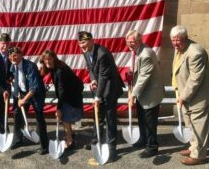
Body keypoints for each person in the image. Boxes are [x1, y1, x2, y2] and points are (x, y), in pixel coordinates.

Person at [77, 31, 124, 162]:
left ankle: (112, 148)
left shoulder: (102, 54)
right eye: (80, 43)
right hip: (99, 85)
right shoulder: (85, 51)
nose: (82, 45)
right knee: (98, 115)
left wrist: (97, 97)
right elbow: (90, 67)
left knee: (110, 118)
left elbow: (104, 77)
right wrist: (92, 80)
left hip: (110, 87)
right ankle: (96, 141)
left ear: (92, 41)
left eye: (85, 42)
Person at [170, 25, 209, 165]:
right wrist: (177, 88)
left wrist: (183, 96)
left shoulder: (196, 52)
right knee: (190, 125)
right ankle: (194, 147)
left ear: (186, 38)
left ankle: (199, 156)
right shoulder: (179, 49)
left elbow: (195, 79)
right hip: (185, 94)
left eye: (178, 40)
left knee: (198, 127)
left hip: (198, 97)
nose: (175, 43)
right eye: (173, 40)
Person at [125, 30, 164, 158]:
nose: (130, 44)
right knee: (141, 119)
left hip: (150, 93)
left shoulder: (146, 54)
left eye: (132, 42)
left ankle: (152, 147)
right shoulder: (137, 51)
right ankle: (143, 139)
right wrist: (131, 73)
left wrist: (133, 95)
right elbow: (138, 71)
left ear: (139, 40)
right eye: (128, 41)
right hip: (143, 92)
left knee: (150, 122)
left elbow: (143, 77)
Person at [39, 49, 84, 149]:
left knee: (65, 119)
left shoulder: (60, 71)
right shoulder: (54, 67)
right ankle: (70, 135)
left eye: (49, 59)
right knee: (64, 117)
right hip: (67, 95)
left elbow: (62, 90)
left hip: (71, 95)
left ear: (54, 58)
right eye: (45, 60)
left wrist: (58, 108)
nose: (47, 62)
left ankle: (70, 141)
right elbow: (42, 74)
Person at [8, 47, 49, 155]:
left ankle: (44, 145)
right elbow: (12, 75)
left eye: (15, 55)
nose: (13, 57)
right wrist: (12, 82)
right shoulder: (13, 65)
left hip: (36, 94)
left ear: (21, 55)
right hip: (22, 92)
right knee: (18, 115)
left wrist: (24, 100)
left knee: (39, 117)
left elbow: (33, 88)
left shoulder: (30, 66)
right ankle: (18, 140)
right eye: (11, 56)